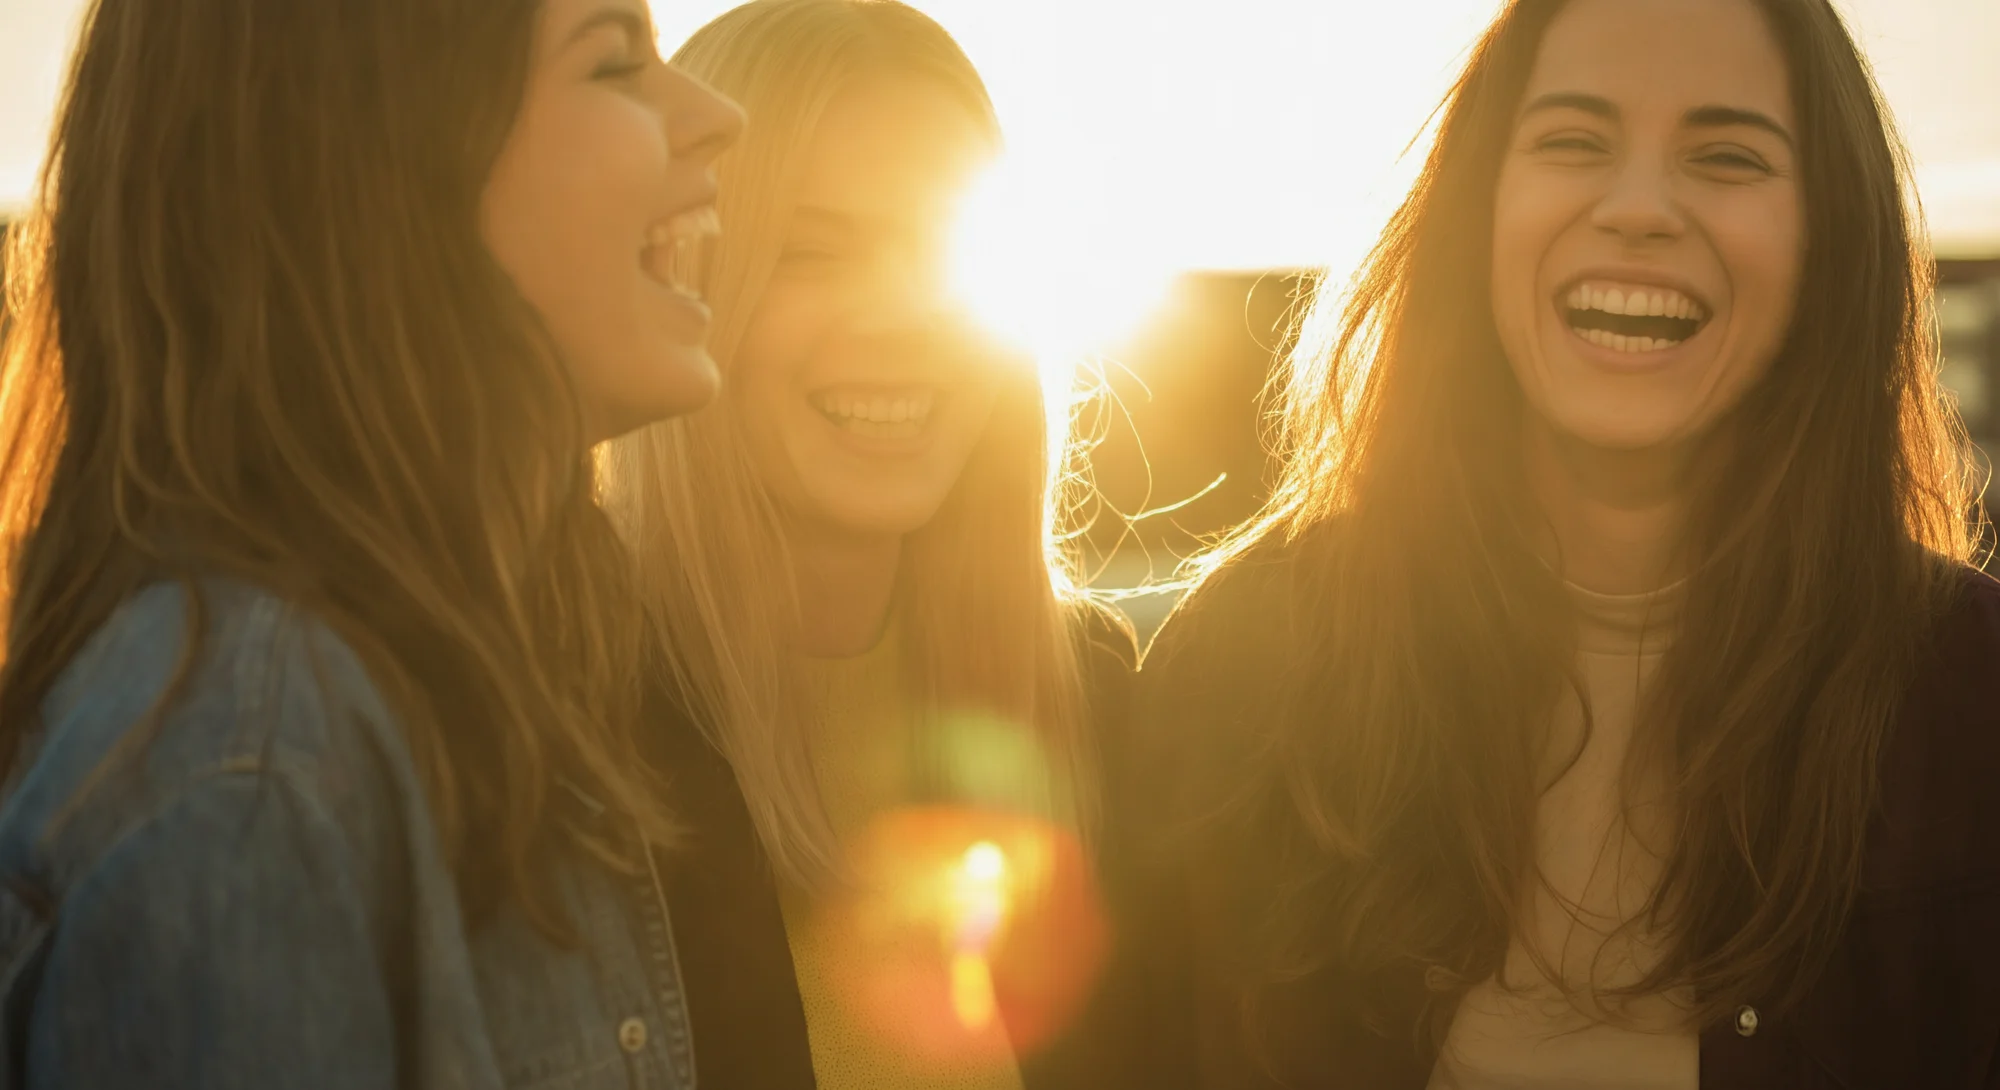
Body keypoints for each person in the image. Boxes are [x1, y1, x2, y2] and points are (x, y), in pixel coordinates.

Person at [1121, 0, 1998, 1087]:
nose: (1635, 208)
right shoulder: (1246, 665)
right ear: (1478, 211)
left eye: (1725, 156)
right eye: (1572, 142)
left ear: (1828, 236)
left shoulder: (1970, 700)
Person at [0, 0, 741, 1086]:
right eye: (614, 61)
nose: (716, 115)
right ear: (384, 160)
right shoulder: (253, 774)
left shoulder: (479, 674)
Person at [601, 3, 1134, 1088]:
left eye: (944, 246)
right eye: (809, 251)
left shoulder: (1092, 697)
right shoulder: (560, 726)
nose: (901, 315)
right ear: (680, 275)